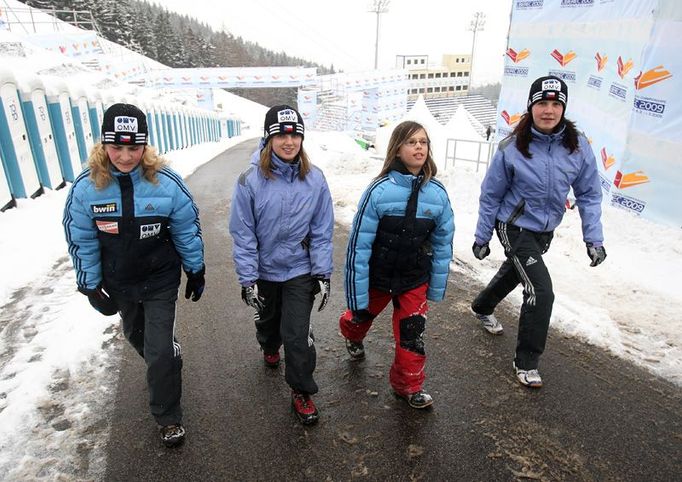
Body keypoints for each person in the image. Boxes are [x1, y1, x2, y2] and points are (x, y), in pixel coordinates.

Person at [63, 103, 205, 447]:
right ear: (103, 146)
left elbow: (187, 228)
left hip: (160, 279)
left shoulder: (167, 182)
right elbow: (80, 238)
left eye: (134, 147)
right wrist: (90, 284)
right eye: (117, 147)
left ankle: (168, 417)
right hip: (120, 282)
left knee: (158, 352)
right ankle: (167, 363)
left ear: (145, 146)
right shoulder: (86, 188)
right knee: (136, 337)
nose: (125, 156)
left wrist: (195, 268)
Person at [471, 75, 606, 388]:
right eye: (542, 103)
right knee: (541, 291)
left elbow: (589, 194)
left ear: (563, 107)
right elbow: (490, 195)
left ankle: (481, 306)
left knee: (516, 273)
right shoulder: (512, 147)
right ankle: (526, 361)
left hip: (545, 231)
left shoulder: (578, 146)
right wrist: (482, 236)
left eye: (556, 103)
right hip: (513, 226)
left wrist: (594, 239)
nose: (549, 110)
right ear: (531, 107)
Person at [229, 105, 334, 425]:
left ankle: (302, 390)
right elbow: (242, 233)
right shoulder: (249, 181)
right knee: (270, 322)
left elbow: (322, 230)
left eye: (295, 134)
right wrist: (248, 278)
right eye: (281, 134)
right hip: (265, 269)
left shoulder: (315, 179)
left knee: (298, 334)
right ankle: (268, 344)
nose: (289, 141)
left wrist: (322, 272)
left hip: (299, 270)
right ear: (269, 137)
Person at [340, 120, 455, 409]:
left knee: (412, 334)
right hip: (378, 277)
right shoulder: (378, 191)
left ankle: (409, 386)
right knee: (358, 318)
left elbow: (443, 243)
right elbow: (359, 244)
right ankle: (351, 336)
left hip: (413, 279)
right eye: (411, 142)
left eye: (423, 142)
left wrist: (436, 287)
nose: (419, 147)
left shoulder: (438, 195)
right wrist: (356, 291)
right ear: (397, 149)